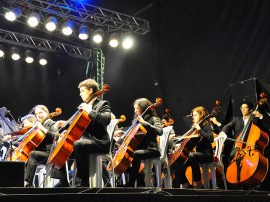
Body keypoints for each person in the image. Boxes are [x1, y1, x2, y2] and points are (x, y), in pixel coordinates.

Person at [219, 101, 269, 189]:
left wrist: (261, 116)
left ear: (250, 109)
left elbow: (268, 125)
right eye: (241, 108)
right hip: (239, 147)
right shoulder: (237, 120)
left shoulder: (255, 119)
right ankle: (234, 182)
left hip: (252, 147)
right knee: (231, 155)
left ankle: (255, 180)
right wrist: (223, 132)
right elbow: (227, 126)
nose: (242, 110)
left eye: (245, 108)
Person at [72, 78, 111, 187]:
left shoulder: (103, 104)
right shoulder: (84, 107)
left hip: (100, 142)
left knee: (78, 144)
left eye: (82, 91)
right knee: (62, 146)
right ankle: (63, 180)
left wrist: (89, 110)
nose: (80, 94)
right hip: (87, 141)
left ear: (90, 90)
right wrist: (65, 126)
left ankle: (85, 181)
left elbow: (106, 120)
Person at [24, 105, 67, 187]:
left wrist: (43, 129)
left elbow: (56, 136)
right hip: (41, 152)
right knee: (29, 154)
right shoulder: (39, 125)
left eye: (41, 112)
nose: (39, 115)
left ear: (46, 113)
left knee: (33, 154)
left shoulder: (50, 123)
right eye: (37, 114)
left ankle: (29, 183)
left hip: (49, 153)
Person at [124, 98, 163, 187]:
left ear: (143, 108)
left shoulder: (154, 119)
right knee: (124, 157)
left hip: (152, 149)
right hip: (140, 149)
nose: (135, 110)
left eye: (136, 108)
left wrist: (144, 123)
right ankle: (140, 181)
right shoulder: (136, 121)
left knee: (136, 154)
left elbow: (160, 131)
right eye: (134, 108)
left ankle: (131, 183)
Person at [172, 106, 214, 189]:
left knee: (192, 156)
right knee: (177, 160)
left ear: (201, 115)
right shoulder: (194, 129)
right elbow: (187, 140)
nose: (193, 117)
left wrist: (200, 130)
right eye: (193, 116)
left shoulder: (206, 126)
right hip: (197, 155)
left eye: (195, 115)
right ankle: (184, 182)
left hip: (206, 155)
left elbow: (211, 139)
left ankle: (198, 182)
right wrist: (177, 141)